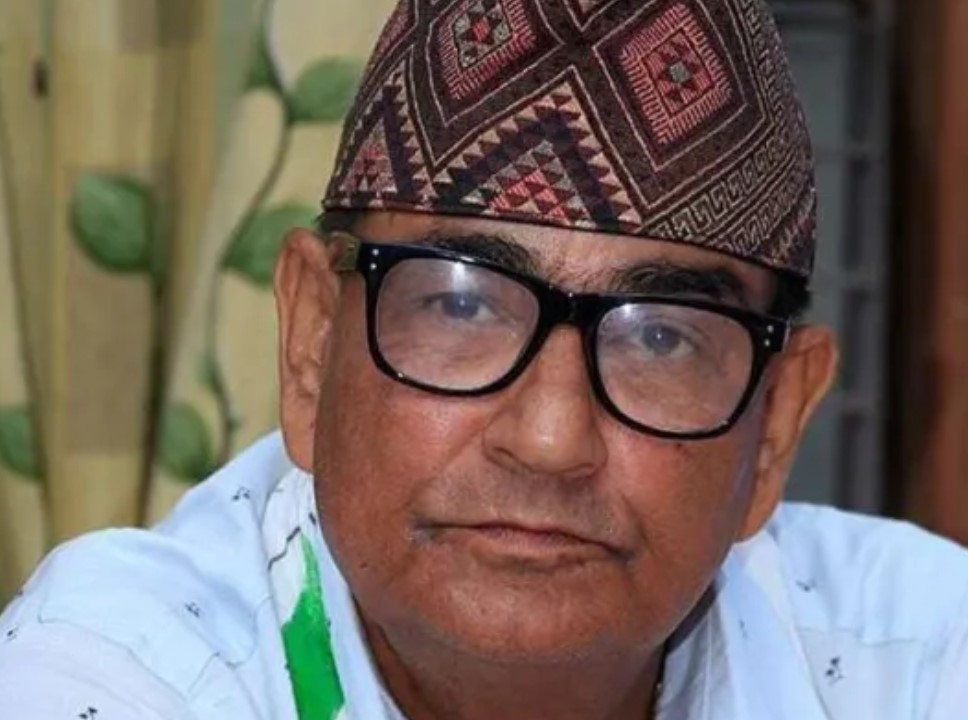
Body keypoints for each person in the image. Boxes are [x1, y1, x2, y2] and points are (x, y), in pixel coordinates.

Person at [1, 0, 967, 717]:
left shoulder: (919, 659)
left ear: (775, 430)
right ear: (311, 346)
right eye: (461, 306)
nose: (550, 440)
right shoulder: (117, 672)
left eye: (660, 336)